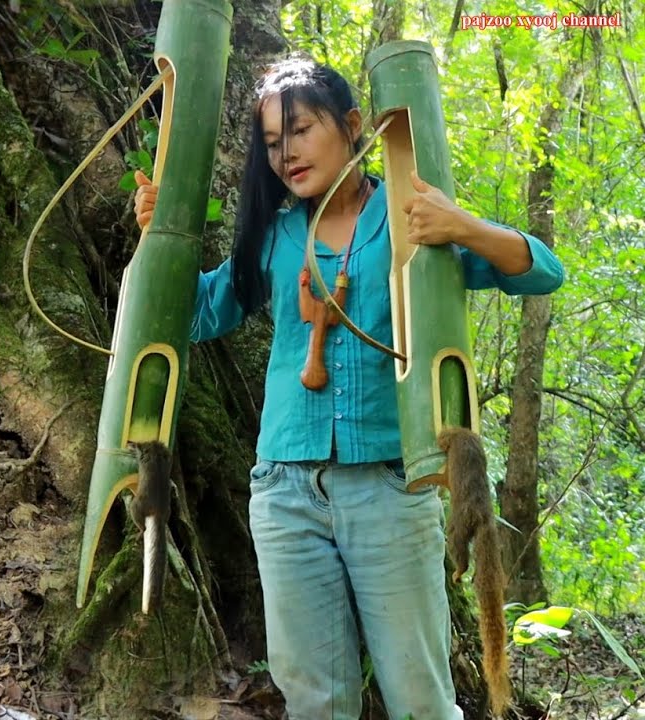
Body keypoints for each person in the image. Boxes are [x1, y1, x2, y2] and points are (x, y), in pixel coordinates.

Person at [132, 56, 563, 719]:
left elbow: (542, 272)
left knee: (421, 699)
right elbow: (194, 314)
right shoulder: (275, 235)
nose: (286, 154)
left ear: (353, 126)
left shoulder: (409, 217)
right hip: (284, 492)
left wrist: (463, 227)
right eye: (272, 143)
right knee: (314, 699)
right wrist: (156, 235)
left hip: (390, 488)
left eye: (300, 130)